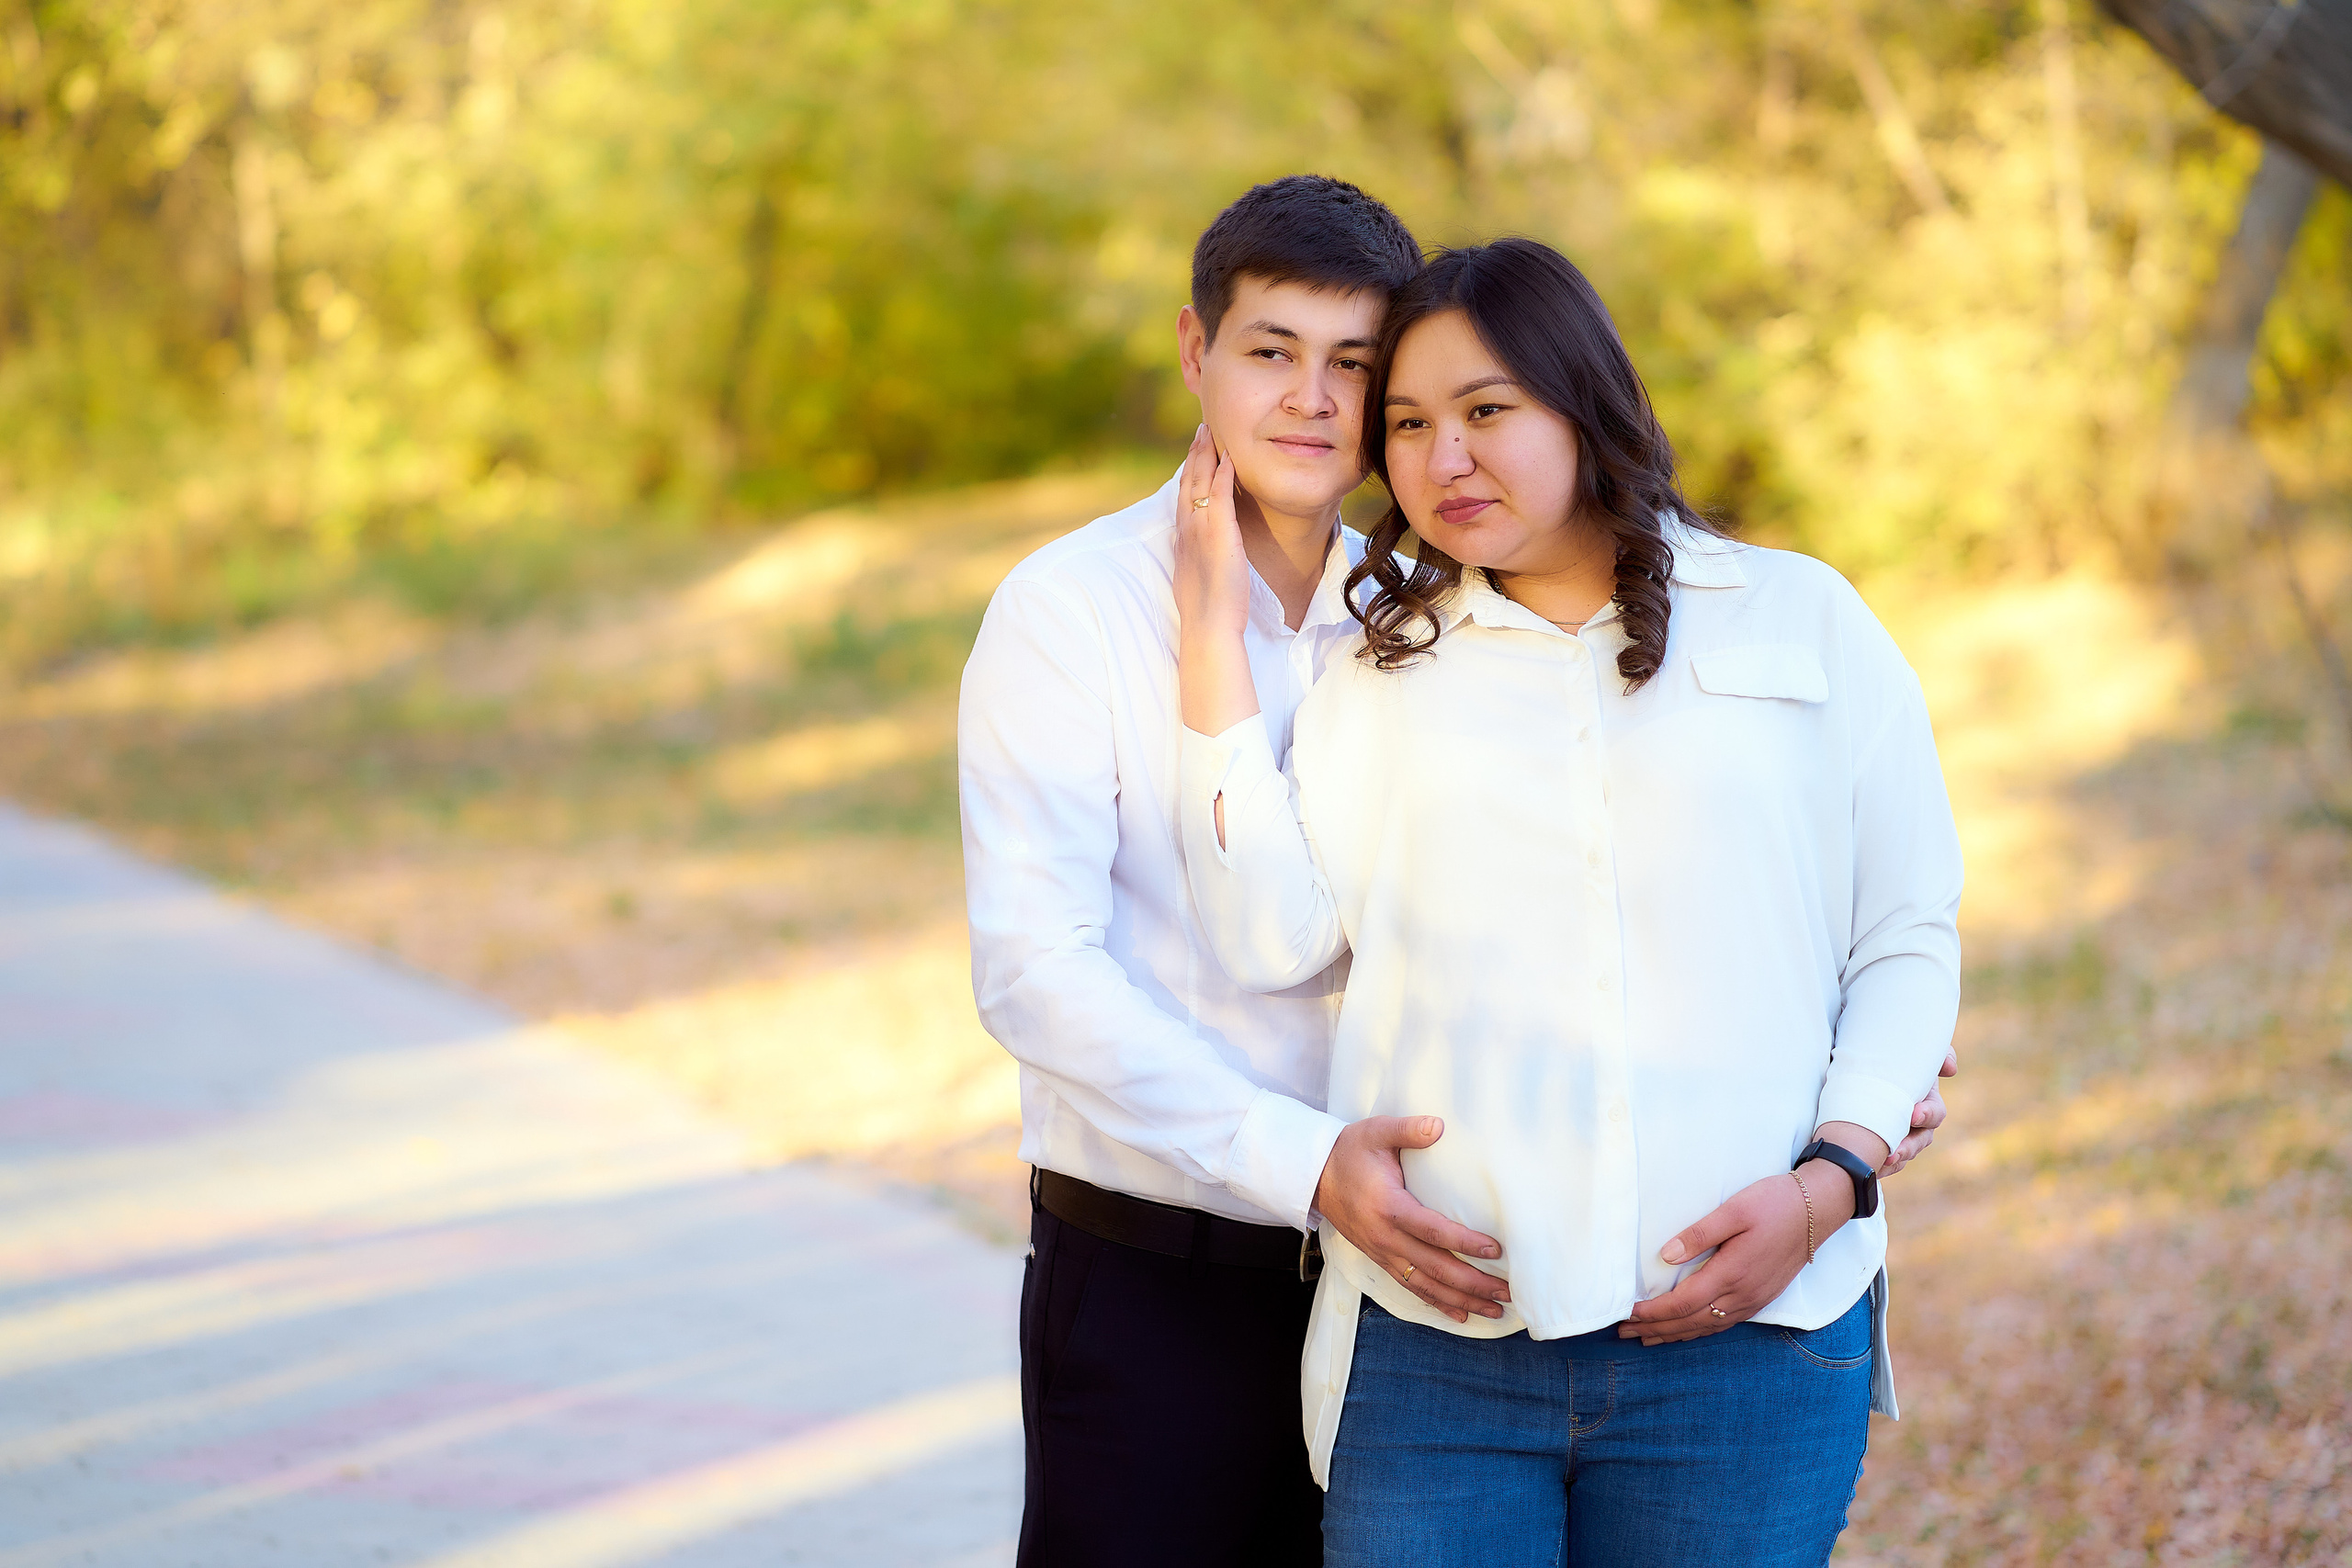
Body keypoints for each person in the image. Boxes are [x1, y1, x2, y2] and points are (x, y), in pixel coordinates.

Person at [1170, 237, 1964, 1566]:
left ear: (1584, 404)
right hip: (1441, 1363)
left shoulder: (1801, 621)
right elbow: (1267, 936)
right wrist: (1209, 636)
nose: (1443, 460)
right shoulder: (1384, 677)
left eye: (1487, 412)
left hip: (1751, 1348)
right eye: (1409, 426)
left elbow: (1906, 937)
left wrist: (1833, 1182)